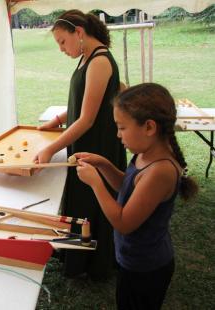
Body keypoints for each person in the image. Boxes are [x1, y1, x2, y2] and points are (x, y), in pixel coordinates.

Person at [75, 83, 198, 309]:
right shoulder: (145, 154)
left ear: (149, 127)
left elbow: (124, 222)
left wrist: (95, 183)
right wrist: (103, 165)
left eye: (122, 127)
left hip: (146, 268)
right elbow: (128, 186)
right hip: (133, 260)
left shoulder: (160, 171)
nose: (118, 134)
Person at [34, 10, 127, 280]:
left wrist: (51, 149)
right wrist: (58, 119)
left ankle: (94, 263)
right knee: (80, 202)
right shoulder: (86, 58)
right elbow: (81, 101)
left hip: (98, 144)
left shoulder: (99, 61)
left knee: (92, 204)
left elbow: (87, 119)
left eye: (63, 41)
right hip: (84, 142)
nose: (62, 49)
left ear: (79, 32)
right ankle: (75, 257)